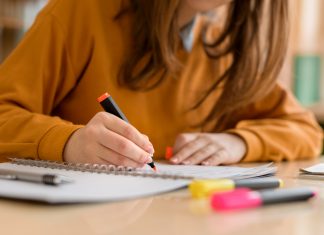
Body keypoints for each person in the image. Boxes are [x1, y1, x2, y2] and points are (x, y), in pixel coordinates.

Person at [0, 0, 322, 167]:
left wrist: (239, 143)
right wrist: (69, 143)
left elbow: (306, 130)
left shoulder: (222, 55)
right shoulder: (81, 12)